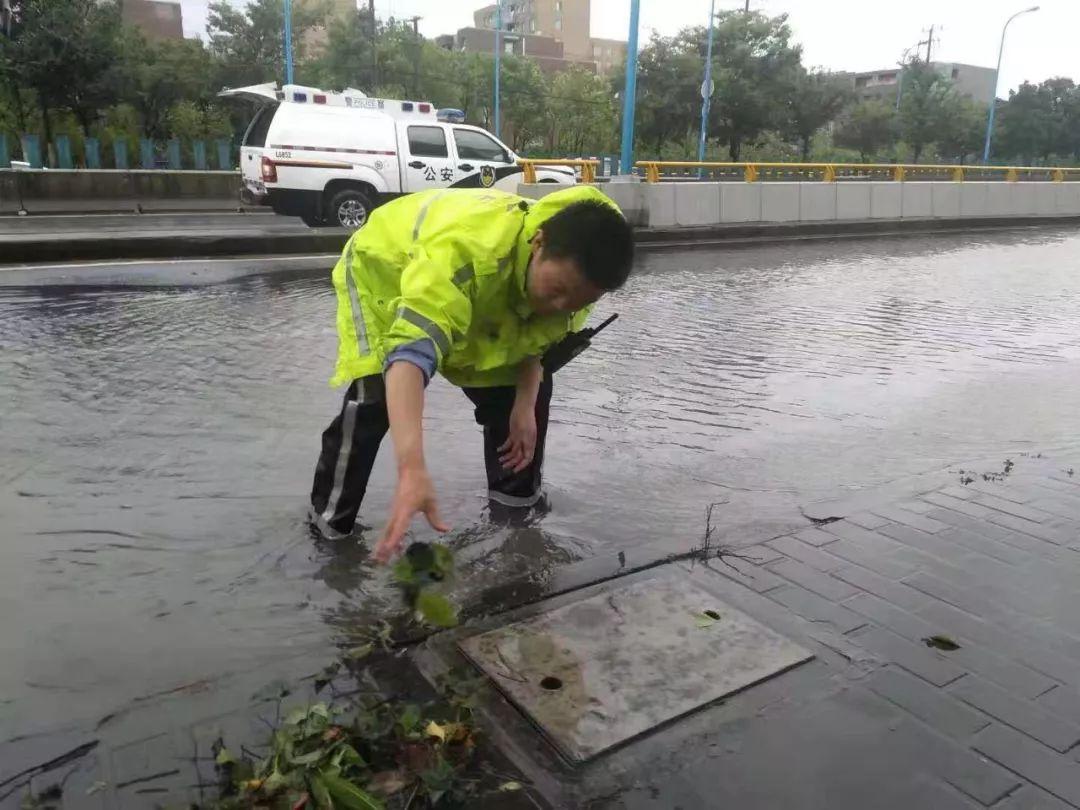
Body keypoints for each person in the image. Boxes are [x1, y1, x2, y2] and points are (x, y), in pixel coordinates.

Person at [309, 184, 634, 563]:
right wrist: (412, 469)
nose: (561, 306)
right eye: (557, 290)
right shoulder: (465, 254)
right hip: (386, 266)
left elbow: (537, 345)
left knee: (521, 405)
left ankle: (515, 518)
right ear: (538, 243)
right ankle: (329, 529)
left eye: (579, 302)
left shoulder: (581, 285)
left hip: (491, 290)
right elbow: (411, 355)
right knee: (375, 398)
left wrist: (524, 405)